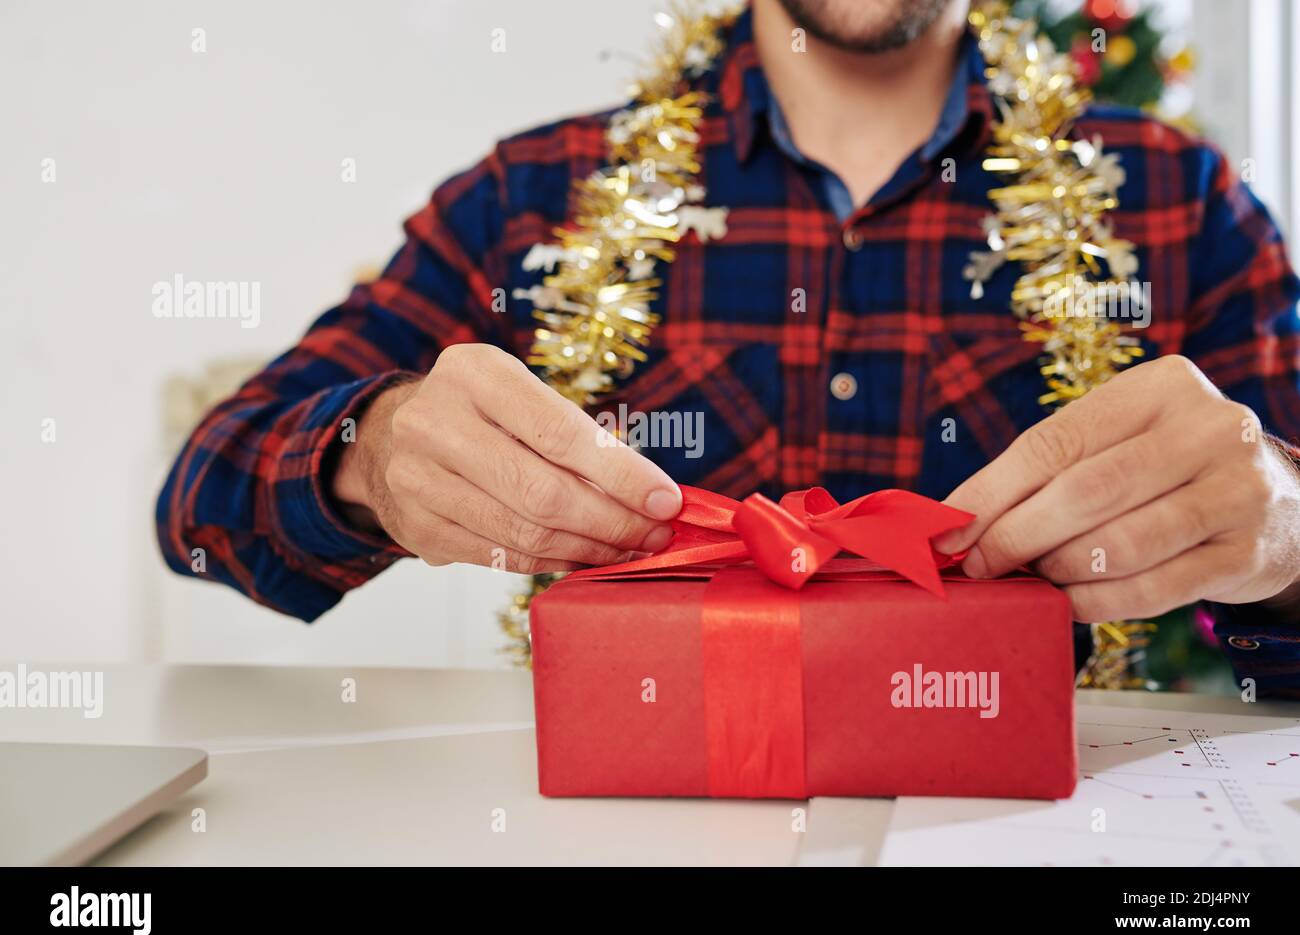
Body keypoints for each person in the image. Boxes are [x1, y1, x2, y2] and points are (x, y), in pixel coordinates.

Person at [157, 0, 1300, 696]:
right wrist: (371, 449)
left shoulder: (1178, 202)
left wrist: (1283, 530)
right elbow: (201, 504)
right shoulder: (531, 196)